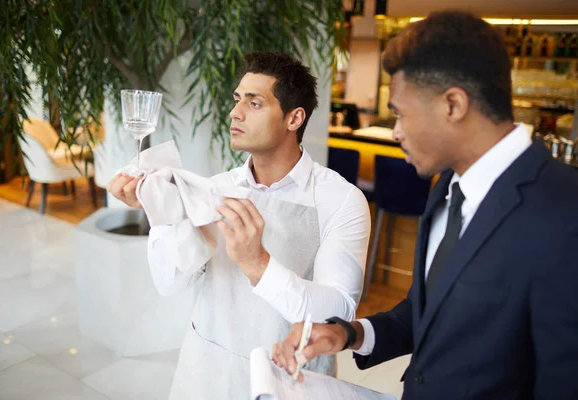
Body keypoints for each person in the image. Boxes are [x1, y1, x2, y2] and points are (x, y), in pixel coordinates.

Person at [272, 10, 578, 400]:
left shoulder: (564, 214)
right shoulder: (447, 187)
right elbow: (426, 310)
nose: (395, 131)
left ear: (453, 104)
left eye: (400, 113)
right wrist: (348, 333)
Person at [107, 52, 371, 399]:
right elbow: (172, 282)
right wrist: (162, 213)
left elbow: (337, 312)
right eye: (236, 100)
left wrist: (258, 264)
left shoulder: (341, 199)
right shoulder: (217, 187)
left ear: (294, 118)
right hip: (205, 372)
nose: (235, 112)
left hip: (289, 380)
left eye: (255, 102)